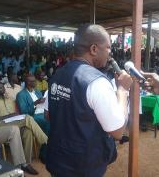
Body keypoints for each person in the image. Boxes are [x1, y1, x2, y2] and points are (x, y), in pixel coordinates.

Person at [46, 24, 133, 177]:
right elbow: (118, 131)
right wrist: (123, 91)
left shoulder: (58, 74)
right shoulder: (97, 82)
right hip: (83, 166)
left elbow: (48, 114)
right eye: (108, 47)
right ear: (94, 49)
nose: (110, 53)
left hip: (58, 160)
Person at [0, 81, 48, 165]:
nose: (3, 89)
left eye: (3, 87)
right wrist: (9, 116)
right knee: (27, 118)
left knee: (27, 131)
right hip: (1, 125)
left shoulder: (9, 98)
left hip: (14, 122)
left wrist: (15, 115)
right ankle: (46, 141)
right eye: (0, 88)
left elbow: (17, 112)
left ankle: (26, 163)